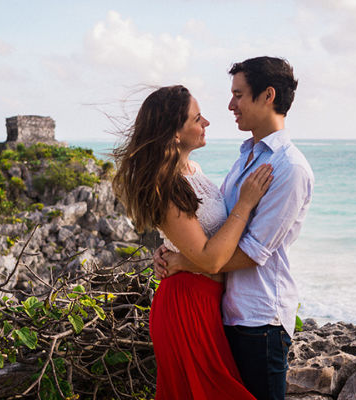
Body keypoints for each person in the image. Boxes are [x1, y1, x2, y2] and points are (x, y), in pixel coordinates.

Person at [155, 56, 313, 400]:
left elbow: (253, 251)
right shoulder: (247, 157)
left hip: (260, 319)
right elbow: (215, 228)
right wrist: (178, 249)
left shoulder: (288, 168)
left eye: (238, 95)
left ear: (267, 95)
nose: (230, 105)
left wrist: (184, 262)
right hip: (224, 311)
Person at [112, 85, 273, 400]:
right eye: (197, 118)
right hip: (186, 305)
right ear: (174, 132)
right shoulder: (167, 185)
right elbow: (210, 259)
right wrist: (245, 203)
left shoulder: (192, 171)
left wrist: (177, 255)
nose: (207, 123)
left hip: (209, 301)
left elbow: (195, 243)